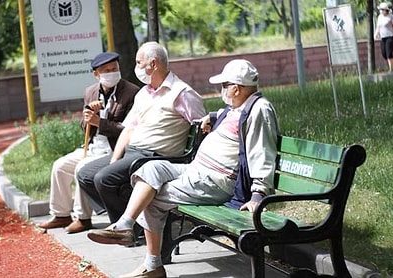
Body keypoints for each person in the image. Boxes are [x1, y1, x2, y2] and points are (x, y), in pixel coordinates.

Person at [86, 59, 280, 278]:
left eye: (224, 86)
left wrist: (258, 194)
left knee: (152, 196)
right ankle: (125, 225)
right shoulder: (237, 107)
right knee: (150, 169)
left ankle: (152, 265)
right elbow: (233, 122)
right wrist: (213, 117)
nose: (221, 90)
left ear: (236, 88)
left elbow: (261, 151)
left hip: (216, 180)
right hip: (196, 171)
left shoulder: (259, 109)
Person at [76, 41, 206, 226]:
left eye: (139, 63)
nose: (135, 67)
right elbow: (128, 129)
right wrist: (114, 161)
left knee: (104, 179)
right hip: (133, 151)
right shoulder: (144, 93)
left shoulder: (182, 93)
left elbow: (203, 128)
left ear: (153, 64)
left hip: (155, 156)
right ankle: (131, 218)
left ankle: (127, 229)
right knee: (85, 174)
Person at [38, 52, 139, 233]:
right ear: (96, 74)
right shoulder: (90, 92)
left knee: (81, 168)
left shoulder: (132, 92)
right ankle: (61, 214)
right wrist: (87, 118)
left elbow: (129, 130)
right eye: (106, 71)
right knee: (59, 166)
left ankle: (83, 218)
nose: (112, 73)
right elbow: (85, 127)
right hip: (92, 147)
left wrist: (100, 122)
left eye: (114, 69)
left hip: (114, 149)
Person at [374, 2, 393, 72]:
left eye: (382, 10)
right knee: (384, 53)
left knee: (389, 53)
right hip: (383, 37)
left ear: (386, 10)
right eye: (381, 10)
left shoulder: (391, 17)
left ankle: (391, 69)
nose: (381, 11)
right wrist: (376, 34)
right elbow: (378, 27)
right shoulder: (380, 17)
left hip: (391, 36)